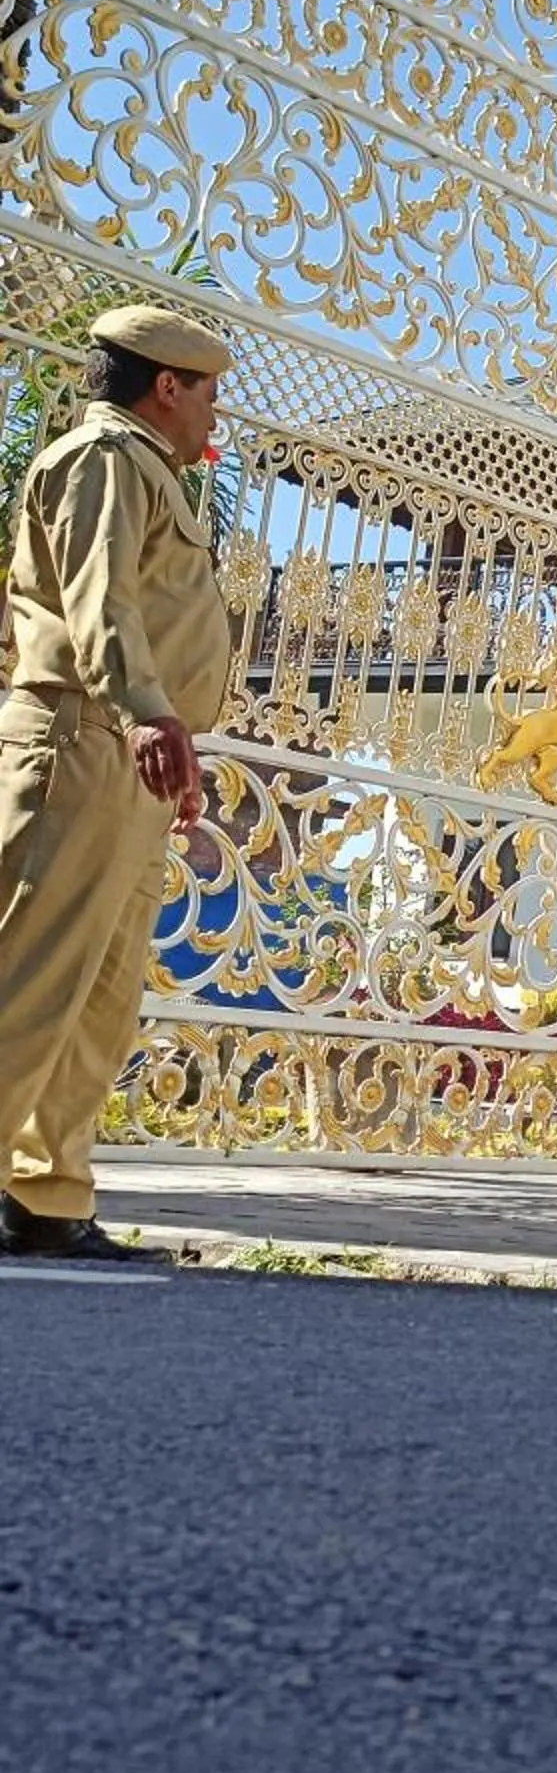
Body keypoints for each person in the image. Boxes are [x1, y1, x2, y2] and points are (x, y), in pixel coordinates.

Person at [0, 303, 233, 1262]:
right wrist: (144, 708)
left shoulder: (148, 470)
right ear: (165, 386)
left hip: (129, 752)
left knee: (100, 992)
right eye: (209, 393)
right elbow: (104, 596)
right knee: (30, 973)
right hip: (85, 737)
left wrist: (164, 734)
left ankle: (49, 1196)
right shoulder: (102, 461)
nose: (216, 416)